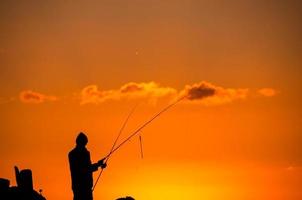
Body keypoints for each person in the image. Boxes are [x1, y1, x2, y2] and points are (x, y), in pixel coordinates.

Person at [68, 132, 107, 200]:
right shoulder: (81, 154)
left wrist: (98, 164)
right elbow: (84, 169)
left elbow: (86, 167)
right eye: (84, 144)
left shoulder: (72, 154)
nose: (85, 146)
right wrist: (98, 164)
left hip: (81, 186)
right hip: (82, 187)